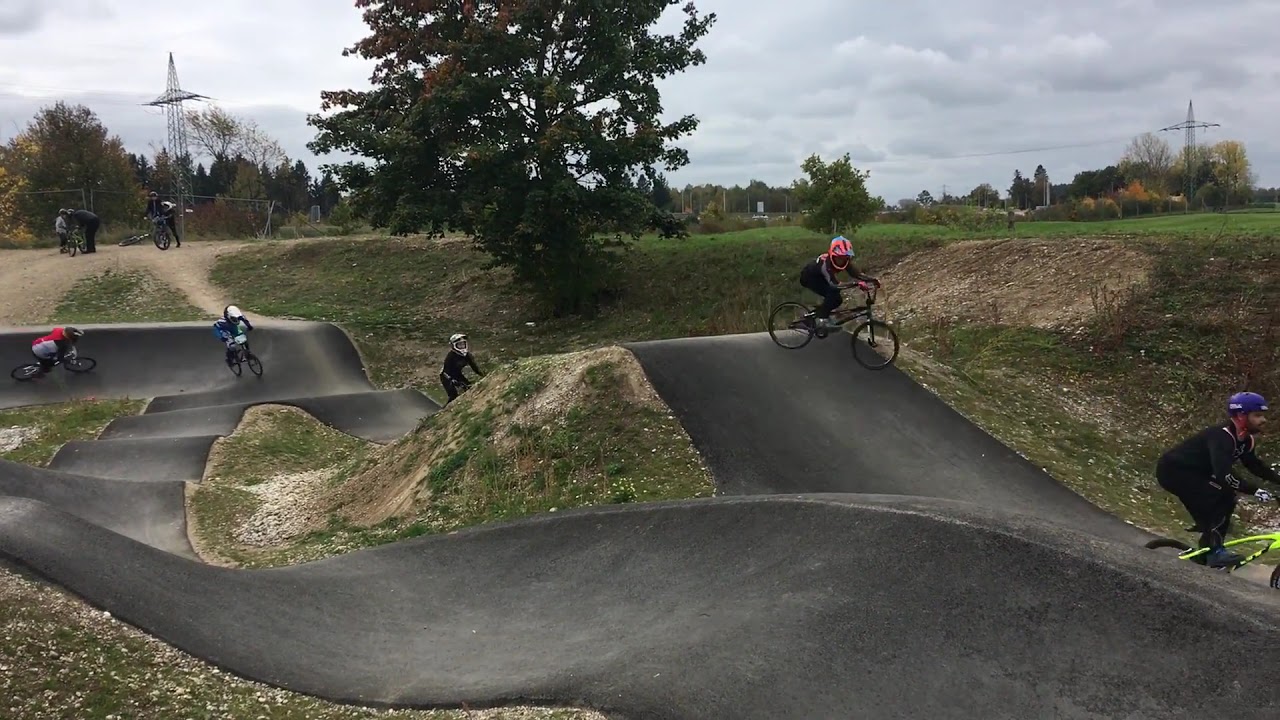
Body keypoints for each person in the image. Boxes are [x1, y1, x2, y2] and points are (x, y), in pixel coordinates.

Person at [1155, 391, 1280, 568]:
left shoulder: (1246, 440)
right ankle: (1214, 552)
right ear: (1241, 415)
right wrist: (1255, 490)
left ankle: (1205, 552)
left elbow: (1255, 466)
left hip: (1196, 474)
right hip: (1174, 472)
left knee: (1223, 500)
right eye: (1257, 415)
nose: (1263, 420)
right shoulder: (1222, 437)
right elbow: (1224, 475)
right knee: (1222, 498)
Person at [799, 236, 879, 329]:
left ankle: (816, 315)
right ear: (833, 255)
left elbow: (857, 274)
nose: (842, 260)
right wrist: (856, 283)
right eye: (839, 257)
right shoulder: (825, 263)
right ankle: (822, 319)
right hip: (809, 278)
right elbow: (834, 284)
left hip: (823, 277)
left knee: (837, 300)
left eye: (845, 257)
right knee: (833, 294)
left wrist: (873, 280)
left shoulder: (846, 262)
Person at [440, 332, 483, 404]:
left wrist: (483, 375)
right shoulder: (450, 357)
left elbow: (474, 367)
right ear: (454, 346)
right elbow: (446, 371)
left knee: (469, 387)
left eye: (463, 344)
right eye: (459, 345)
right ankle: (445, 409)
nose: (462, 346)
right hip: (446, 376)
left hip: (457, 374)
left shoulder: (467, 355)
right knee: (453, 396)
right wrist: (452, 380)